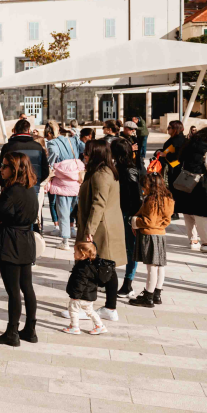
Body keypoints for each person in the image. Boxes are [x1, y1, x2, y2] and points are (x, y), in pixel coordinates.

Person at [0, 152, 40, 346]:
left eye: (5, 166)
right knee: (27, 287)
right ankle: (30, 330)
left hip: (11, 240)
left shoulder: (12, 190)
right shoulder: (30, 189)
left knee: (14, 290)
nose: (1, 169)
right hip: (26, 238)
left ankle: (12, 332)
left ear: (15, 169)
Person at [75, 139, 126, 323]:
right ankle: (109, 307)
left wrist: (89, 230)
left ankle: (86, 307)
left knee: (89, 268)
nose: (84, 156)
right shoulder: (102, 171)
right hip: (103, 226)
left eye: (87, 153)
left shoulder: (101, 175)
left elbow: (99, 203)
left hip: (100, 228)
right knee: (105, 268)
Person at [129, 173, 173, 308]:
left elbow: (149, 221)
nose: (143, 188)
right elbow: (167, 220)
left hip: (150, 235)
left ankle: (148, 296)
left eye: (145, 185)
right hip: (160, 234)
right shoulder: (167, 198)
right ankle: (157, 293)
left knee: (151, 267)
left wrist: (134, 221)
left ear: (151, 185)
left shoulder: (152, 200)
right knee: (160, 265)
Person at [112, 138, 143, 296]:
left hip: (127, 214)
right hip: (119, 212)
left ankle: (128, 283)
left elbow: (134, 197)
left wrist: (133, 219)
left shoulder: (128, 170)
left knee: (130, 250)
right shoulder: (118, 167)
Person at [172, 127, 207, 251]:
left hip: (185, 182)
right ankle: (206, 243)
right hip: (200, 184)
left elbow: (179, 161)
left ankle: (193, 241)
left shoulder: (189, 144)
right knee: (201, 213)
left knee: (188, 213)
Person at [63, 244, 109, 336]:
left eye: (75, 252)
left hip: (80, 295)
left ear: (83, 255)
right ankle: (100, 326)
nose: (73, 253)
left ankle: (74, 327)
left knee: (73, 310)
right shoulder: (91, 265)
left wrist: (75, 295)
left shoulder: (82, 268)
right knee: (90, 311)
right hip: (89, 295)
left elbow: (80, 283)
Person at [0, 119, 48, 194]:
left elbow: (0, 169)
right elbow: (45, 170)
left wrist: (4, 184)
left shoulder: (8, 147)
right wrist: (35, 182)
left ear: (15, 131)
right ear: (28, 131)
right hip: (33, 187)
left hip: (12, 187)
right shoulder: (38, 147)